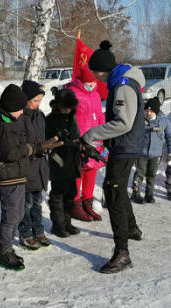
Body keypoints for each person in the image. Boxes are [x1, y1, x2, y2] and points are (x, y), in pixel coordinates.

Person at [82, 40, 145, 273]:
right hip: (126, 145)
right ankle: (132, 228)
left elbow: (124, 122)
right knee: (114, 189)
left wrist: (93, 133)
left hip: (125, 145)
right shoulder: (122, 80)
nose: (96, 78)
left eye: (96, 73)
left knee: (114, 193)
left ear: (101, 70)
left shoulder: (122, 86)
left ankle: (122, 253)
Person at [0, 84, 61, 271]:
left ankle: (8, 247)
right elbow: (10, 152)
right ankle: (3, 251)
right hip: (7, 177)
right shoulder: (1, 125)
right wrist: (32, 148)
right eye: (19, 109)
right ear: (11, 108)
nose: (22, 112)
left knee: (19, 214)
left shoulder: (14, 119)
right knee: (11, 216)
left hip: (19, 174)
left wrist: (39, 146)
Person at [66, 68, 105, 221]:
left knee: (91, 170)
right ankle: (75, 205)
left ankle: (87, 202)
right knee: (78, 171)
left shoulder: (95, 94)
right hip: (79, 140)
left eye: (93, 82)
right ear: (81, 81)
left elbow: (100, 114)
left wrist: (103, 132)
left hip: (95, 139)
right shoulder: (72, 94)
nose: (91, 84)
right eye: (88, 82)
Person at [17, 80, 52, 250]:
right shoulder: (19, 117)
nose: (38, 104)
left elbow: (44, 137)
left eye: (40, 101)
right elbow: (19, 144)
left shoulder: (40, 116)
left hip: (39, 168)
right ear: (26, 99)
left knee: (37, 202)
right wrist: (35, 149)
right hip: (26, 167)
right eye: (35, 100)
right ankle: (25, 232)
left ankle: (38, 230)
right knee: (26, 204)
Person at [46, 89, 82, 238]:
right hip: (58, 162)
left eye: (70, 106)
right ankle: (58, 225)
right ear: (58, 105)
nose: (67, 109)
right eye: (64, 106)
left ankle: (67, 222)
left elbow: (76, 136)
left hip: (72, 162)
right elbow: (49, 142)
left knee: (70, 194)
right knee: (58, 194)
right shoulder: (50, 120)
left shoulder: (72, 118)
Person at [131, 97, 171, 204]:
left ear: (156, 111)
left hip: (156, 154)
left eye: (151, 111)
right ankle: (135, 193)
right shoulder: (140, 119)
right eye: (147, 110)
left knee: (151, 175)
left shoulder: (164, 121)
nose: (148, 113)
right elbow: (134, 132)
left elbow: (169, 137)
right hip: (141, 153)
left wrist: (170, 152)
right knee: (140, 174)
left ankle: (149, 194)